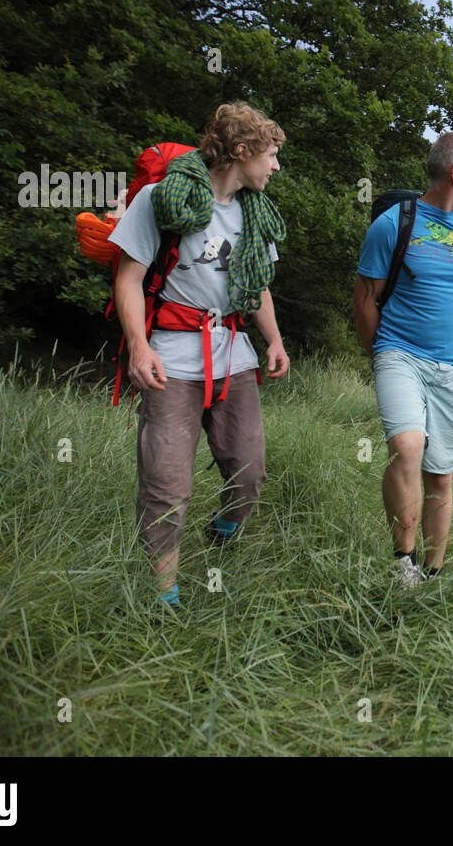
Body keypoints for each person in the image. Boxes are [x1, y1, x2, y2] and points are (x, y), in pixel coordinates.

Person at [109, 101, 290, 609]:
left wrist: (273, 341)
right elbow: (129, 278)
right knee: (167, 482)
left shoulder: (254, 214)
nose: (275, 166)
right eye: (272, 154)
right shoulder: (160, 199)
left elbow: (259, 286)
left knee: (249, 472)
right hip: (171, 357)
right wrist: (139, 348)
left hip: (234, 355)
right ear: (241, 150)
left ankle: (223, 533)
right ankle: (163, 592)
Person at [352, 131, 453, 588]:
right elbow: (364, 299)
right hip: (400, 354)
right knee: (407, 447)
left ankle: (432, 575)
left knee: (440, 474)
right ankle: (404, 561)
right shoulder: (393, 224)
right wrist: (382, 352)